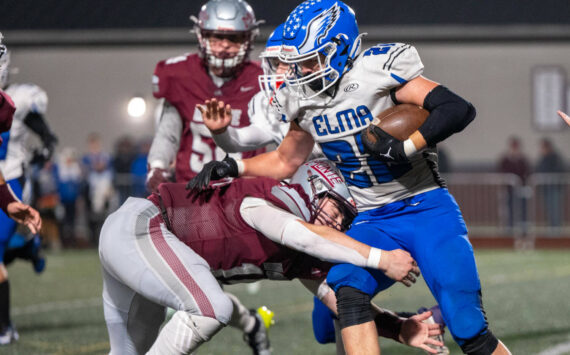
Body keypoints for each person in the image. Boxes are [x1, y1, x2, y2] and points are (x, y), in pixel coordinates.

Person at [188, 1, 511, 354]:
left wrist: (405, 147)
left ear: (340, 47)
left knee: (468, 327)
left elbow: (456, 108)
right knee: (347, 286)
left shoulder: (377, 71)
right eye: (297, 63)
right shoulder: (302, 99)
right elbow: (285, 159)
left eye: (309, 59)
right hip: (372, 217)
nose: (299, 71)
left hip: (427, 209)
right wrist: (234, 166)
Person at [100, 159, 445, 355]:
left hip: (134, 240)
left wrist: (399, 328)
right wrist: (380, 258)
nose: (338, 221)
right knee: (211, 308)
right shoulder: (275, 200)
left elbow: (339, 301)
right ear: (314, 187)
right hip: (142, 227)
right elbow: (301, 235)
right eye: (336, 207)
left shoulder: (302, 249)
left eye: (346, 218)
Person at [145, 1, 275, 353]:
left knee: (307, 263)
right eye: (216, 37)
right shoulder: (179, 75)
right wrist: (157, 166)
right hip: (193, 196)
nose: (223, 46)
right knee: (186, 289)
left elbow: (278, 136)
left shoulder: (264, 77)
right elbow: (169, 132)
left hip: (245, 196)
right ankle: (251, 324)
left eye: (232, 38)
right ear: (201, 36)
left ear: (248, 39)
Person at [0, 34, 46, 344]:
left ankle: (4, 327)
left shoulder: (5, 106)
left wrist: (7, 201)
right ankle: (29, 248)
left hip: (12, 175)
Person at [497, 136, 530, 231]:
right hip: (509, 189)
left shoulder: (523, 160)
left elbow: (527, 172)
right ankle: (510, 228)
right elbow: (501, 172)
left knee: (523, 209)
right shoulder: (505, 160)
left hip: (521, 189)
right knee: (510, 209)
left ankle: (524, 229)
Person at [535, 138, 566, 227]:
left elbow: (559, 171)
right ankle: (552, 228)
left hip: (554, 188)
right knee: (549, 210)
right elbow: (538, 170)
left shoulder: (555, 158)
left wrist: (548, 177)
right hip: (546, 188)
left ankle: (555, 230)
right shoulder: (543, 159)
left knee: (555, 210)